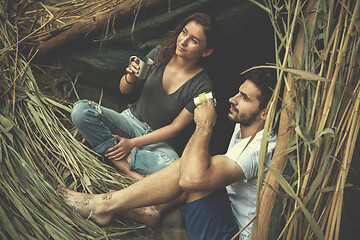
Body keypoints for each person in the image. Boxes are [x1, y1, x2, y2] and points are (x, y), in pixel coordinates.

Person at [58, 68, 278, 240]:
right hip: (221, 209)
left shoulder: (258, 149)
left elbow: (192, 178)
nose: (233, 99)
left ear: (266, 112)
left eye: (245, 98)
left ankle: (103, 206)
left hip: (233, 233)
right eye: (238, 92)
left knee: (191, 171)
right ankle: (154, 208)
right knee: (192, 164)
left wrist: (204, 126)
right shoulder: (244, 126)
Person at [70, 13, 221, 179]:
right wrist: (131, 77)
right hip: (129, 122)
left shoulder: (203, 86)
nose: (183, 41)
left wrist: (132, 144)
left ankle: (106, 149)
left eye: (194, 40)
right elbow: (125, 90)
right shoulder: (159, 54)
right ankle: (126, 167)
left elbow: (176, 127)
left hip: (159, 142)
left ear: (207, 52)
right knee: (81, 111)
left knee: (173, 167)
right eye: (184, 32)